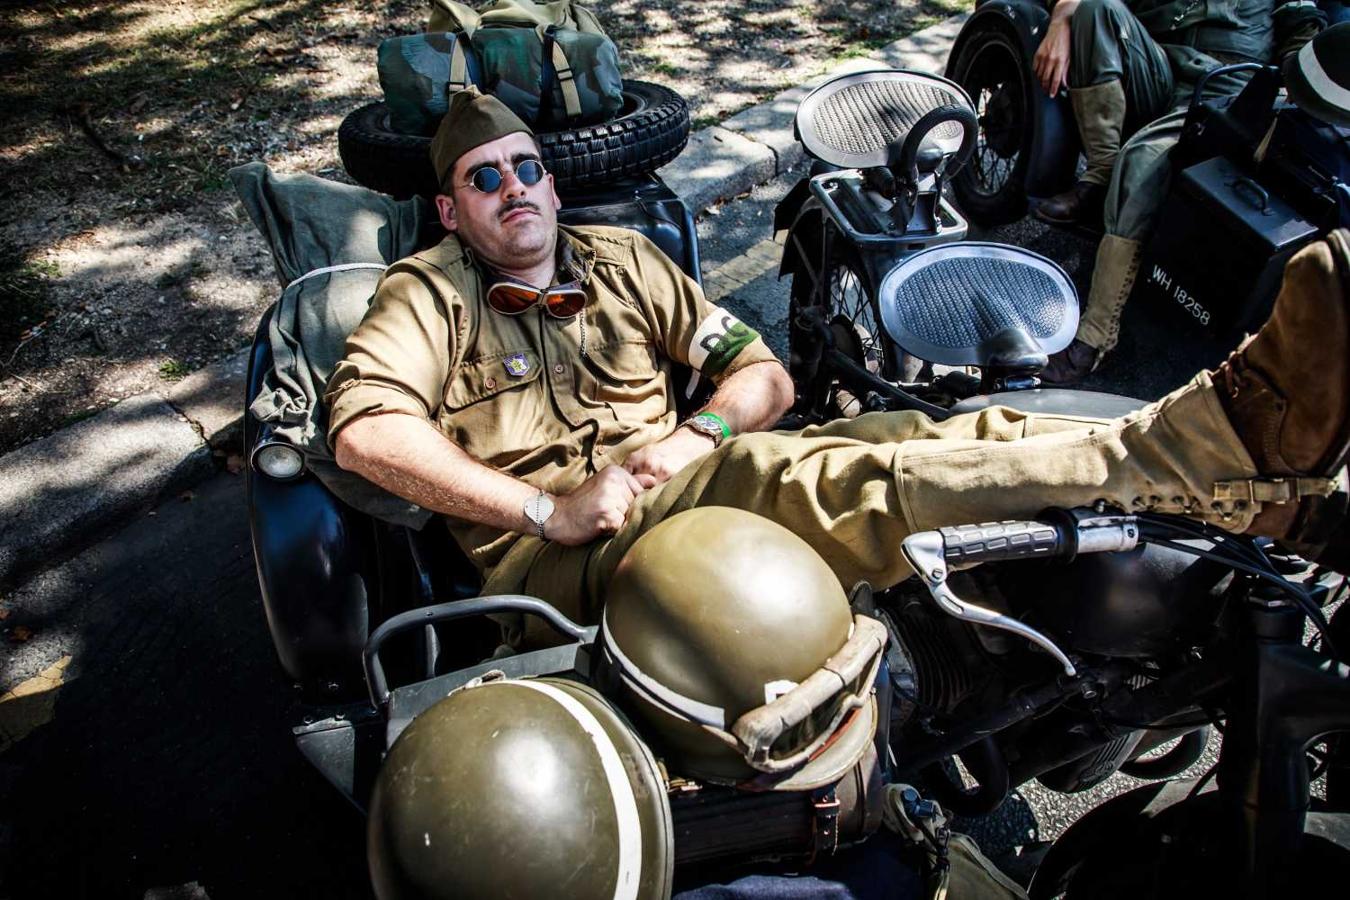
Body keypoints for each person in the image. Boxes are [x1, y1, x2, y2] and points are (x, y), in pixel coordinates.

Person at [327, 87, 1350, 642]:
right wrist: (547, 513)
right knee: (825, 477)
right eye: (484, 179)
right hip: (561, 560)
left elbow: (762, 374)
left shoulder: (622, 260)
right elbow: (368, 431)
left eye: (528, 168)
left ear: (553, 185)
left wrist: (700, 430)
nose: (516, 188)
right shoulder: (430, 293)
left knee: (938, 429)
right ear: (452, 210)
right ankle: (1211, 436)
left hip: (677, 479)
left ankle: (1265, 491)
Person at [1032, 0, 1326, 384]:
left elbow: (1303, 23)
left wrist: (1291, 83)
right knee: (1095, 8)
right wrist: (1060, 19)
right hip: (1160, 63)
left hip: (1228, 86)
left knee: (1139, 162)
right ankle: (1099, 175)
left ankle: (1094, 338)